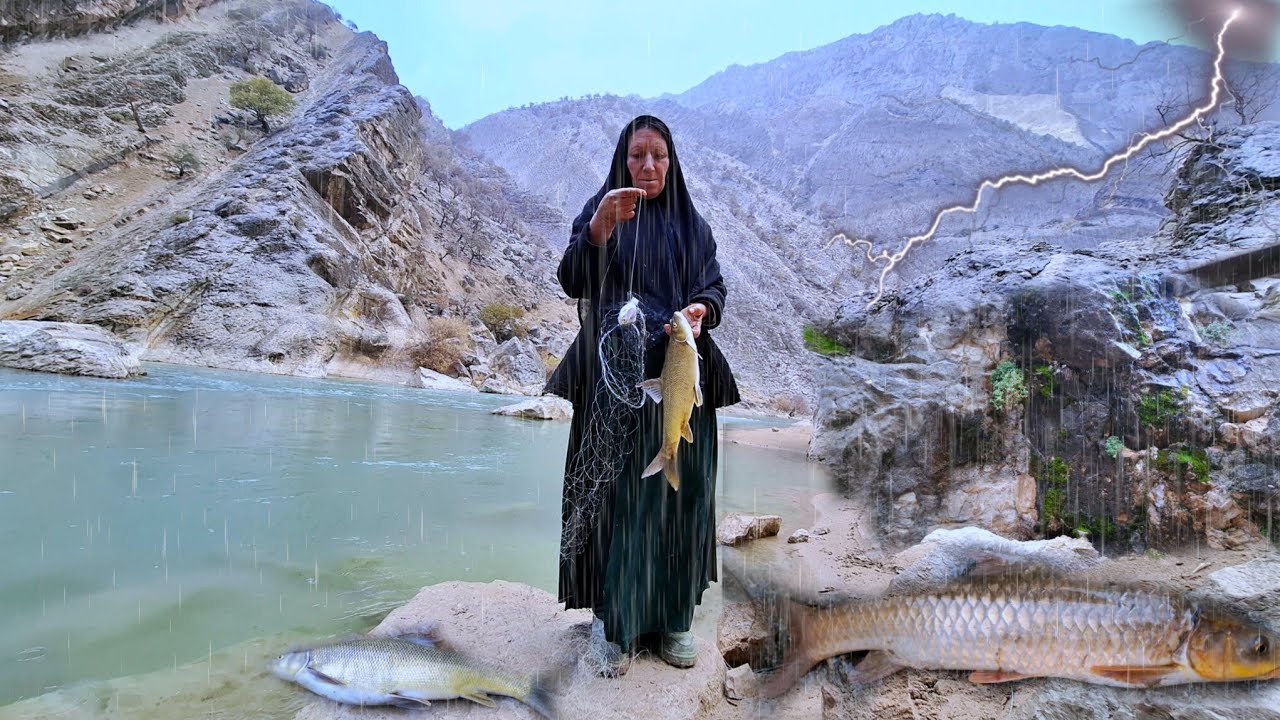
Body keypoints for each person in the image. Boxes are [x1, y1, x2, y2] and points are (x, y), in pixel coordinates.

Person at [545, 115, 740, 675]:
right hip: (616, 381)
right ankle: (613, 622)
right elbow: (573, 279)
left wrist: (703, 307)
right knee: (619, 503)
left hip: (681, 374)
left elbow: (714, 284)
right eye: (637, 156)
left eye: (658, 155)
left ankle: (673, 621)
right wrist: (599, 229)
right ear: (622, 160)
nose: (647, 166)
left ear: (671, 160)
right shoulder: (602, 209)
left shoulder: (692, 225)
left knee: (682, 500)